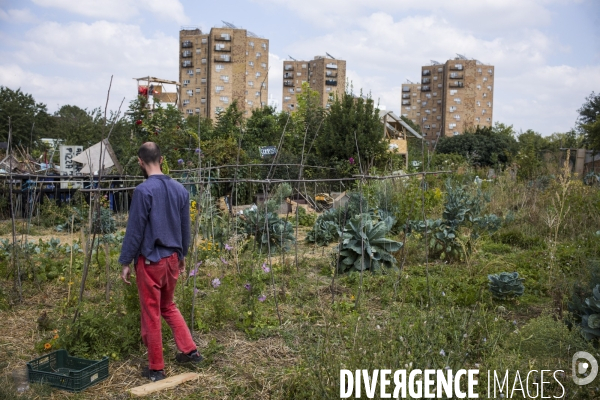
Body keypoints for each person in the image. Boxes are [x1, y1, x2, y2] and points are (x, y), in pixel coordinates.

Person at [119, 142, 202, 382]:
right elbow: (185, 228)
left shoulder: (144, 191)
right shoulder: (180, 190)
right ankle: (190, 351)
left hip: (151, 260)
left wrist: (126, 261)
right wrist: (182, 255)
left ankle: (156, 368)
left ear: (140, 162)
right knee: (168, 305)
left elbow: (135, 231)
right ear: (162, 159)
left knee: (151, 312)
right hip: (172, 259)